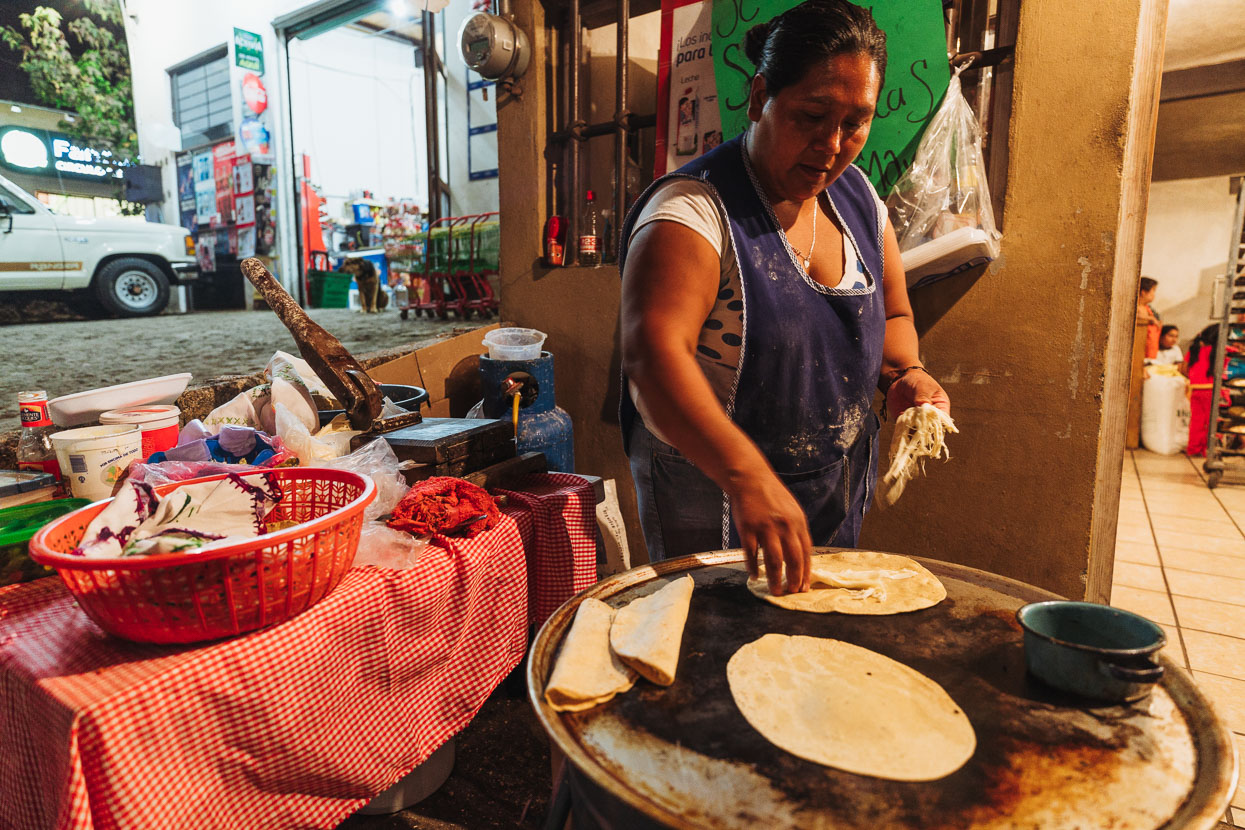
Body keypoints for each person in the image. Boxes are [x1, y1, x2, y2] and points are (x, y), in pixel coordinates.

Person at [619, 0, 949, 598]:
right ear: (759, 96)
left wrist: (908, 374)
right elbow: (652, 356)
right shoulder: (693, 212)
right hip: (714, 490)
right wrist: (748, 478)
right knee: (713, 651)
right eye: (812, 115)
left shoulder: (861, 205)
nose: (832, 143)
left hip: (832, 483)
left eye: (856, 122)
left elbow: (894, 314)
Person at [1187, 324, 1224, 457]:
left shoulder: (1195, 350)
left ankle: (1193, 448)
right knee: (1211, 422)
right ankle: (1206, 450)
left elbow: (1186, 368)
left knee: (1196, 420)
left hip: (1195, 390)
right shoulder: (1217, 352)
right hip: (1210, 390)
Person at [1138, 277, 1161, 360]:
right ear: (1143, 292)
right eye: (1153, 290)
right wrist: (1149, 318)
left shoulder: (1148, 308)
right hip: (1140, 353)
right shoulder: (1137, 308)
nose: (1154, 294)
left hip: (1151, 353)